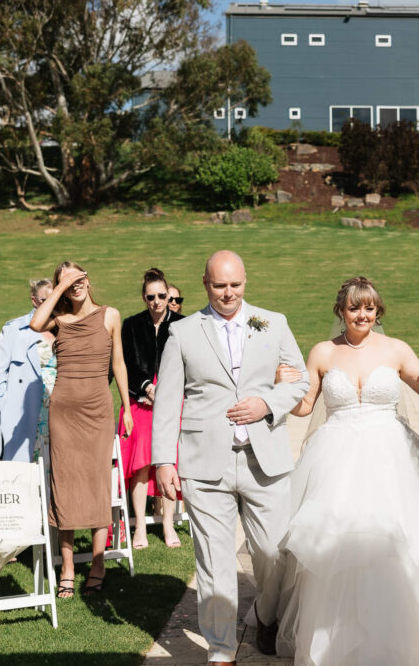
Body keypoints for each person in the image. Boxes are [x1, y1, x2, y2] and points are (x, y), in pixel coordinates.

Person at [274, 277, 419, 664]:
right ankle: (335, 639)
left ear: (378, 311)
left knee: (395, 540)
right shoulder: (323, 352)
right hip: (335, 457)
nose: (363, 315)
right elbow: (304, 407)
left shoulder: (397, 350)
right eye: (355, 308)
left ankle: (395, 637)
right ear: (341, 311)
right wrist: (283, 386)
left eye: (370, 308)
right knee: (335, 542)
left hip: (391, 456)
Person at [152, 251, 308, 665]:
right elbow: (168, 400)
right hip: (204, 464)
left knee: (274, 552)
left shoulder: (273, 323)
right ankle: (221, 651)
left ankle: (266, 614)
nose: (228, 293)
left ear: (245, 281)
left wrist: (267, 404)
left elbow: (301, 380)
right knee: (214, 560)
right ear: (205, 283)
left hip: (266, 462)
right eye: (219, 285)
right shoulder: (182, 332)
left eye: (235, 285)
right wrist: (164, 461)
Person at [30, 262, 133, 599]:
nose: (75, 284)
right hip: (63, 412)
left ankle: (98, 564)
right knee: (66, 484)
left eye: (78, 278)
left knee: (97, 482)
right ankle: (68, 567)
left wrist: (127, 408)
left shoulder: (110, 315)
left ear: (88, 280)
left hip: (98, 411)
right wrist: (60, 287)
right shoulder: (58, 320)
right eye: (67, 281)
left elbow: (118, 363)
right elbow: (35, 324)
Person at [120, 267, 184, 549]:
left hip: (173, 401)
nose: (157, 302)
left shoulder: (182, 324)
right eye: (151, 297)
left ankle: (168, 523)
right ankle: (140, 526)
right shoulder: (132, 325)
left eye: (161, 296)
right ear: (144, 298)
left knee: (169, 460)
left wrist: (167, 392)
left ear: (168, 295)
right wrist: (146, 387)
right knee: (141, 464)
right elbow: (126, 365)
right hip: (141, 402)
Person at [0, 279, 54, 462]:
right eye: (45, 300)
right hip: (24, 408)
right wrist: (1, 405)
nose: (51, 305)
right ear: (34, 300)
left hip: (60, 409)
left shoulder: (65, 327)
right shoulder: (15, 328)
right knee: (25, 466)